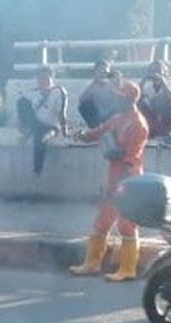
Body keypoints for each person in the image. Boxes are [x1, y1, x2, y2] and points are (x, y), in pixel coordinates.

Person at [69, 80, 149, 282]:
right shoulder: (117, 119)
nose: (115, 99)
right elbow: (98, 133)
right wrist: (82, 136)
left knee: (127, 226)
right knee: (101, 223)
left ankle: (128, 268)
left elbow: (132, 156)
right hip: (114, 179)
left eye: (119, 97)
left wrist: (119, 180)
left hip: (129, 181)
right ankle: (92, 264)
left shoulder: (138, 124)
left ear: (129, 99)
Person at [16, 65, 68, 175]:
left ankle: (37, 170)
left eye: (45, 78)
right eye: (40, 78)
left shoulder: (58, 92)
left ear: (51, 78)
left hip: (51, 126)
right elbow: (23, 108)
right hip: (36, 123)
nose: (43, 81)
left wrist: (65, 132)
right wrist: (21, 124)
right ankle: (29, 131)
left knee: (41, 139)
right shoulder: (33, 93)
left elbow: (62, 113)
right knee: (21, 101)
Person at [138, 60, 171, 142]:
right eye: (153, 71)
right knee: (140, 103)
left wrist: (162, 81)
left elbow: (170, 96)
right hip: (152, 116)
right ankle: (151, 129)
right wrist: (143, 80)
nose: (155, 73)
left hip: (167, 118)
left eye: (158, 70)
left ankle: (167, 130)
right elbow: (135, 95)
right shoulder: (147, 85)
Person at [78, 60, 121, 129]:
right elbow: (82, 100)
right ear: (95, 72)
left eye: (105, 72)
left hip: (113, 117)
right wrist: (93, 86)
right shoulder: (90, 86)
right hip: (98, 118)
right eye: (100, 71)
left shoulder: (112, 85)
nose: (103, 74)